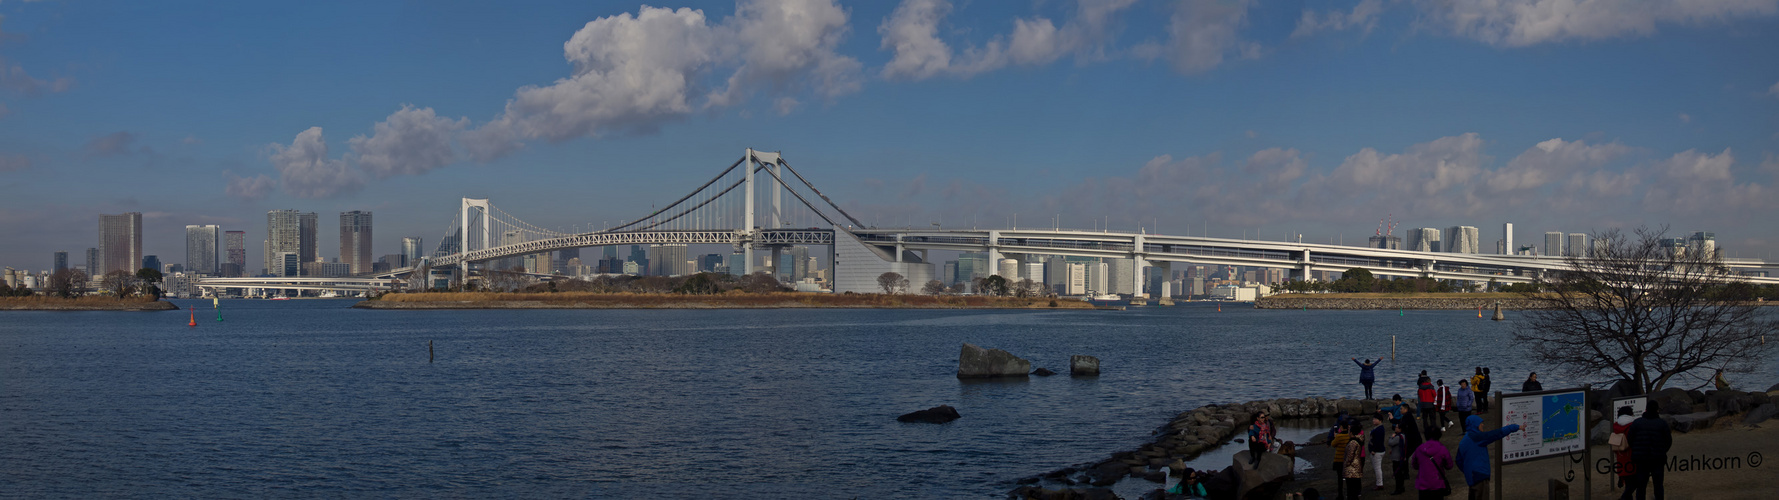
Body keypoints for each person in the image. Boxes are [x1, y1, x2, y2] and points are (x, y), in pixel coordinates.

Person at [1454, 414, 1522, 500]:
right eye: (1480, 423)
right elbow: (1495, 434)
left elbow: (1458, 460)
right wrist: (1514, 427)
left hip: (1472, 477)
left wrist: (1468, 471)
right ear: (1475, 425)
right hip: (1480, 476)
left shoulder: (1464, 440)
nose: (1483, 425)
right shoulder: (1477, 437)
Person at [1624, 401, 1673, 500]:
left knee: (1641, 486)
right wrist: (1662, 450)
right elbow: (1668, 440)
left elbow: (1630, 439)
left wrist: (1636, 450)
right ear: (1657, 410)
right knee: (1658, 485)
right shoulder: (1662, 423)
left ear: (1646, 409)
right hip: (1658, 458)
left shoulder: (1637, 423)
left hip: (1641, 458)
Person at [1411, 427, 1453, 500]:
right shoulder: (1442, 449)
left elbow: (1414, 465)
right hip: (1438, 483)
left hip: (1423, 484)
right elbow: (1449, 465)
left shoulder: (1419, 449)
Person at [1610, 406, 1636, 489]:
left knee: (1626, 478)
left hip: (1620, 454)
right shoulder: (1633, 425)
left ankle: (1621, 478)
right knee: (1633, 482)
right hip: (1631, 454)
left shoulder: (1615, 426)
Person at [1342, 421, 1367, 500]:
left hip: (1352, 468)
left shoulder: (1352, 442)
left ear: (1351, 432)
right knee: (1354, 488)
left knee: (1351, 489)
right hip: (1356, 466)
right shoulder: (1358, 440)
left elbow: (1350, 456)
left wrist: (1345, 464)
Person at [1368, 414, 1388, 491]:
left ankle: (1379, 484)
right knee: (1377, 468)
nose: (1373, 420)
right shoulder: (1378, 428)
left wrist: (1374, 450)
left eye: (1375, 419)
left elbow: (1378, 441)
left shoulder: (1379, 429)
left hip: (1377, 452)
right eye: (1373, 419)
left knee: (1377, 468)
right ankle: (1379, 483)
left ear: (1380, 421)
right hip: (1378, 451)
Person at [1388, 423, 1410, 495]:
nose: (1395, 428)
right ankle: (1401, 487)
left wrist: (1391, 437)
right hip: (1401, 458)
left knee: (1398, 475)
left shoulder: (1398, 437)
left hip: (1397, 458)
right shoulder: (1403, 436)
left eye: (1397, 427)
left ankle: (1398, 489)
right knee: (1400, 475)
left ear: (1400, 429)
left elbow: (1390, 443)